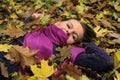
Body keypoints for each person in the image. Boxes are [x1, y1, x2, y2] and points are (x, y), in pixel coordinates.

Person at [0, 13, 114, 79]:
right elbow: (22, 28)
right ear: (58, 22)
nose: (69, 32)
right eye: (69, 26)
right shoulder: (38, 26)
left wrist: (87, 43)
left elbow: (105, 61)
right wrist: (33, 18)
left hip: (8, 67)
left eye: (74, 36)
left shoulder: (65, 53)